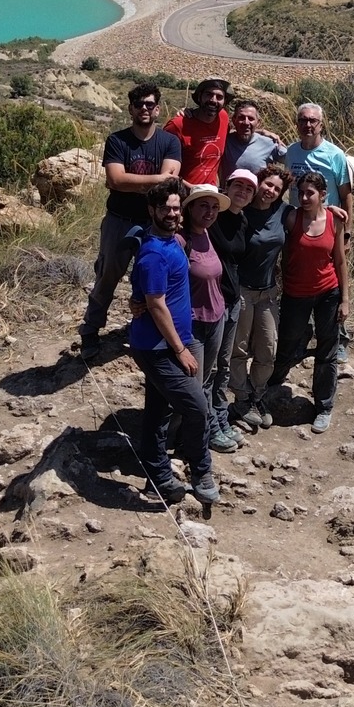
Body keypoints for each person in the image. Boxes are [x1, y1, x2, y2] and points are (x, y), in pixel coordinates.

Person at [126, 179, 219, 508]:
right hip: (157, 348)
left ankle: (157, 475)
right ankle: (200, 471)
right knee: (197, 407)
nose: (172, 213)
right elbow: (156, 303)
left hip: (172, 341)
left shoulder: (172, 242)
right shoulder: (153, 253)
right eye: (165, 208)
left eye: (176, 208)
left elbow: (149, 295)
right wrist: (180, 348)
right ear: (152, 210)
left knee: (156, 411)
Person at [78, 84, 181, 360]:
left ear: (158, 108)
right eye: (139, 104)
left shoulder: (169, 142)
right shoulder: (117, 141)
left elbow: (168, 183)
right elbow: (115, 180)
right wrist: (156, 181)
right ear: (130, 109)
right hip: (120, 220)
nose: (144, 108)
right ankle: (90, 330)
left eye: (149, 104)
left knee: (152, 279)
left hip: (154, 224)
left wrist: (139, 183)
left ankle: (148, 328)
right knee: (108, 274)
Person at [266, 170, 348, 434]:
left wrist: (345, 299)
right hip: (295, 293)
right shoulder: (291, 217)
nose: (304, 197)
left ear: (323, 195)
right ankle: (271, 387)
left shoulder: (335, 220)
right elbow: (266, 203)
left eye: (310, 193)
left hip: (328, 292)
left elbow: (340, 261)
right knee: (288, 342)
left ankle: (324, 406)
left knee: (327, 349)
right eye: (300, 192)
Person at [224, 163, 288, 431]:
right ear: (258, 183)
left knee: (268, 349)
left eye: (276, 188)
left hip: (268, 292)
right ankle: (241, 399)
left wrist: (332, 210)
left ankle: (257, 394)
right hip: (242, 291)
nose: (270, 191)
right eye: (267, 184)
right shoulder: (239, 211)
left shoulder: (283, 212)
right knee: (237, 349)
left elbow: (312, 214)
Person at [182, 182, 242, 453]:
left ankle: (208, 428)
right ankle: (199, 437)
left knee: (209, 376)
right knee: (195, 385)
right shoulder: (181, 240)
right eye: (203, 205)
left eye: (215, 207)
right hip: (193, 322)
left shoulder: (208, 235)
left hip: (215, 315)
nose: (210, 211)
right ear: (190, 207)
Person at [284, 103, 353, 210]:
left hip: (326, 221)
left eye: (312, 121)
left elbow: (346, 196)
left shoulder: (335, 154)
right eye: (303, 120)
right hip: (297, 220)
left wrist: (346, 226)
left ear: (321, 126)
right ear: (297, 125)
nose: (307, 125)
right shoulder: (291, 151)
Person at [165, 78, 231, 187]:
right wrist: (194, 189)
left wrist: (263, 132)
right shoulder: (178, 125)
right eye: (209, 94)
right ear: (200, 97)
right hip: (183, 196)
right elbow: (166, 172)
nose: (213, 100)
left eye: (219, 97)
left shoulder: (223, 118)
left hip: (211, 196)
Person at [220, 98, 283, 175]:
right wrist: (261, 131)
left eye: (251, 118)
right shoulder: (225, 141)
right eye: (241, 118)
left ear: (258, 122)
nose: (246, 122)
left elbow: (293, 158)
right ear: (234, 120)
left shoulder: (269, 143)